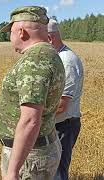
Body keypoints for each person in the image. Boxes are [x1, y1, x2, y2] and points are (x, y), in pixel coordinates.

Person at [0, 6, 65, 179]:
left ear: (21, 32)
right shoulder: (49, 53)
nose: (9, 37)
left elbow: (30, 120)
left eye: (10, 32)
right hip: (35, 149)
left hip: (29, 158)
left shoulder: (34, 61)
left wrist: (12, 171)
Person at [48, 19, 84, 180]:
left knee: (58, 172)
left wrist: (36, 118)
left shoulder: (66, 61)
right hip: (56, 123)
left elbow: (62, 105)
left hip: (64, 125)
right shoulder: (57, 57)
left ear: (49, 38)